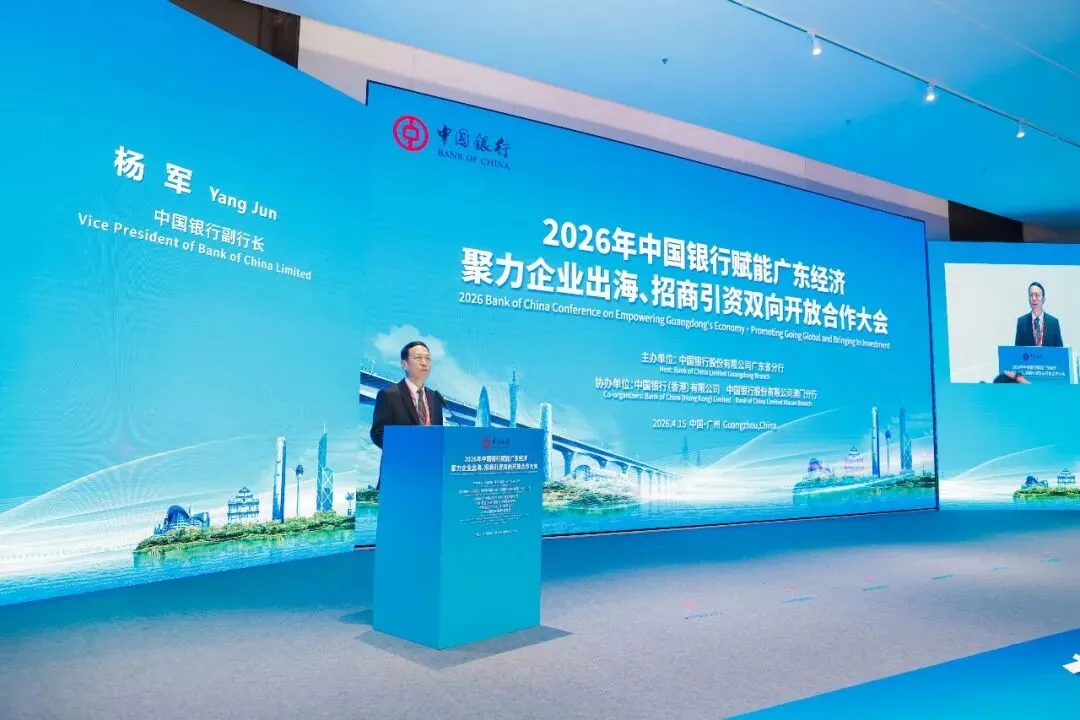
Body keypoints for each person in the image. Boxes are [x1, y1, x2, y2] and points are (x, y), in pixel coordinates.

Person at [369, 340, 445, 451]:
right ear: (404, 364)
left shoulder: (435, 398)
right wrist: (406, 446)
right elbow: (378, 434)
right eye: (418, 358)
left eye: (428, 358)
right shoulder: (388, 395)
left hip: (430, 460)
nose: (424, 363)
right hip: (401, 459)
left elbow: (439, 434)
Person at [1014, 282, 1063, 347]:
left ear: (1043, 300)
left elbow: (1060, 350)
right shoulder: (1021, 322)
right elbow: (1017, 350)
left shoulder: (1053, 323)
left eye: (1037, 295)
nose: (1033, 298)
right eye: (1031, 295)